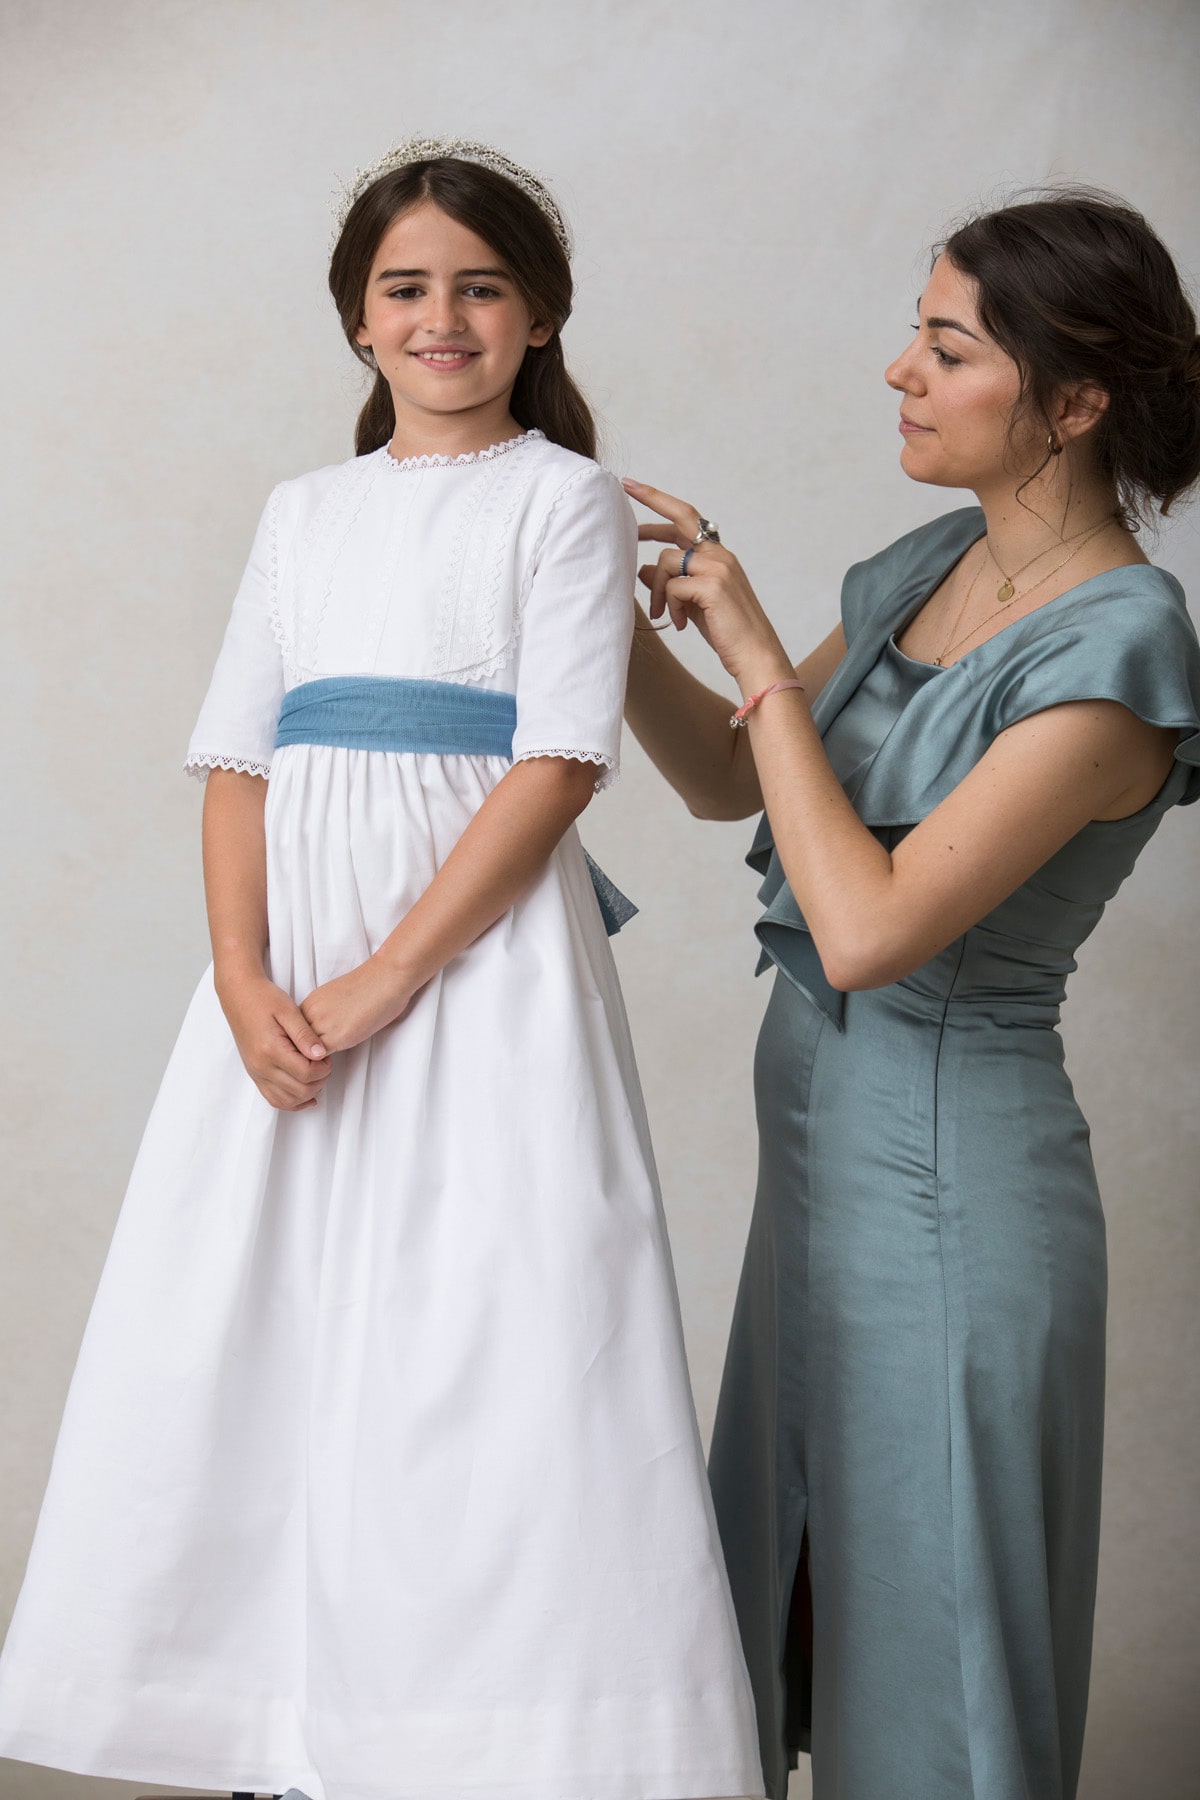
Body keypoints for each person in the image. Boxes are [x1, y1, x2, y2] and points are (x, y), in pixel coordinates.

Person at [0, 139, 763, 1800]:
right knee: (270, 1330)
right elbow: (236, 762)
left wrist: (389, 979)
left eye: (482, 286)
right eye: (408, 288)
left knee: (484, 1338)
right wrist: (242, 973)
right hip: (280, 996)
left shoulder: (562, 496)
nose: (444, 318)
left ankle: (487, 1741)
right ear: (356, 319)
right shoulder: (306, 513)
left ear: (542, 312)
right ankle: (289, 1729)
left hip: (471, 981)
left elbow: (560, 761)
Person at [622, 189, 1200, 1800]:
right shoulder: (937, 559)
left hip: (953, 1203)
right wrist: (602, 617)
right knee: (798, 1592)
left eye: (948, 348)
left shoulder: (1124, 649)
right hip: (820, 1196)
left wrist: (747, 639)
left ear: (1074, 402)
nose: (900, 370)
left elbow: (867, 926)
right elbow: (735, 781)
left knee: (934, 1655)